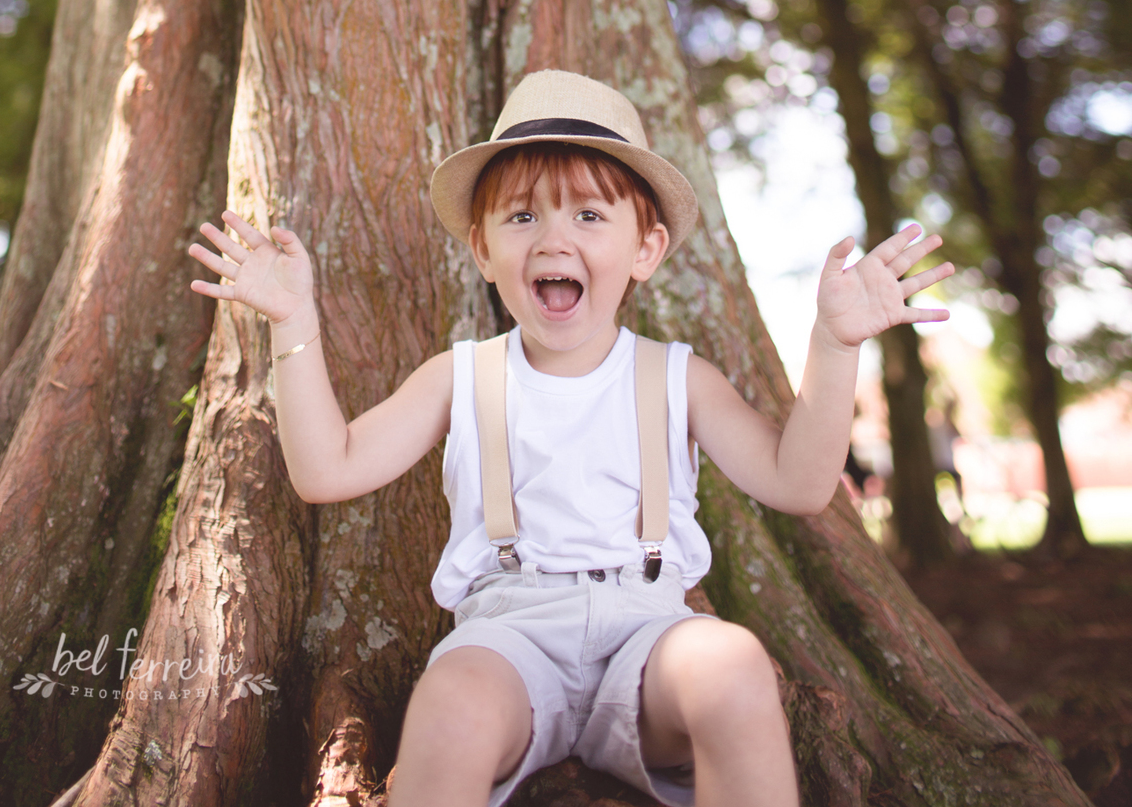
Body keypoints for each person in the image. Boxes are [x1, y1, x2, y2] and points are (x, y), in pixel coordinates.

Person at [190, 71, 953, 807]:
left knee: (736, 668)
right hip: (509, 638)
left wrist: (836, 344)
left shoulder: (676, 378)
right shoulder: (461, 377)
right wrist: (293, 323)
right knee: (449, 706)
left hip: (651, 635)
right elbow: (328, 470)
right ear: (484, 251)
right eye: (522, 218)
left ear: (646, 251)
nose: (555, 239)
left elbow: (799, 483)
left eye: (589, 216)